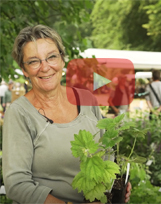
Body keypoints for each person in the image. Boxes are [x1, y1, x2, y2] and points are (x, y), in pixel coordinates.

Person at [2, 24, 131, 204]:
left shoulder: (87, 99)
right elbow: (16, 185)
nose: (45, 67)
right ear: (24, 70)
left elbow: (107, 153)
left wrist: (114, 186)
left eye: (51, 57)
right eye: (33, 61)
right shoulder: (20, 113)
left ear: (62, 60)